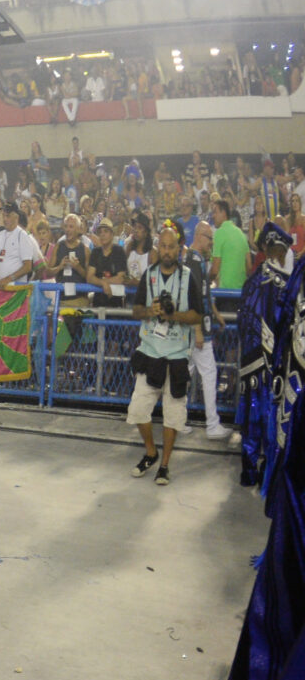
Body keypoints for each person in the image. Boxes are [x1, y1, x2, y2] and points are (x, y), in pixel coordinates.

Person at [127, 223, 207, 487]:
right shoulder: (148, 275)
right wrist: (151, 311)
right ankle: (151, 452)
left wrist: (173, 316)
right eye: (163, 245)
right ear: (158, 247)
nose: (167, 251)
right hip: (150, 351)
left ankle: (164, 465)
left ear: (179, 249)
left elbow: (198, 314)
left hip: (176, 356)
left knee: (173, 413)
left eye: (172, 246)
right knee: (138, 409)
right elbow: (136, 310)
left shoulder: (188, 277)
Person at [186, 222, 228, 441]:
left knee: (186, 374)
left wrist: (215, 312)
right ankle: (212, 424)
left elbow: (202, 294)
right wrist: (198, 330)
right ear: (200, 236)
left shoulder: (197, 260)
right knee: (208, 374)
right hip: (197, 329)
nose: (212, 242)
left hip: (198, 327)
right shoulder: (193, 261)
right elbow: (190, 296)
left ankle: (178, 420)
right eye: (209, 238)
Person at [0, 201, 41, 284]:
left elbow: (27, 266)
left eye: (8, 216)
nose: (5, 219)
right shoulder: (0, 235)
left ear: (16, 217)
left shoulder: (22, 236)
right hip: (0, 288)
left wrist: (9, 278)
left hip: (16, 290)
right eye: (3, 215)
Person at [211, 198, 251, 291]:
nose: (213, 216)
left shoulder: (219, 233)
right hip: (241, 293)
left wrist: (206, 280)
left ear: (223, 213)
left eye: (215, 212)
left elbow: (215, 270)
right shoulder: (241, 234)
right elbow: (249, 267)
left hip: (225, 293)